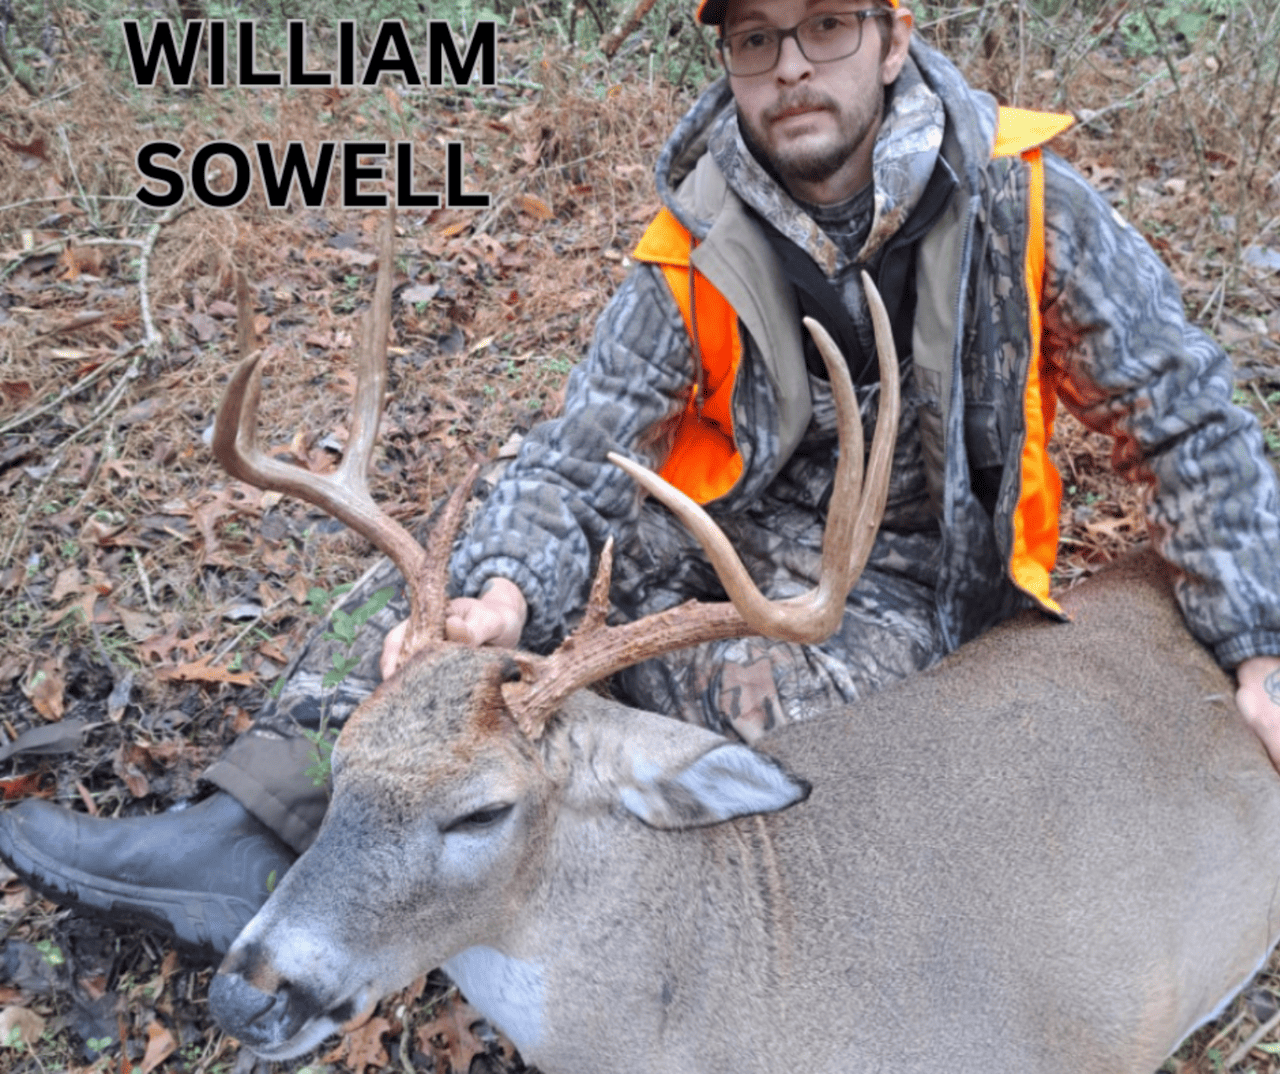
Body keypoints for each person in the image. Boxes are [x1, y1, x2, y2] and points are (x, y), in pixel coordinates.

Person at [3, 0, 1279, 962]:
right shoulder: (695, 235)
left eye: (825, 27)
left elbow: (1181, 418)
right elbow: (580, 446)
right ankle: (247, 834)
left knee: (745, 731)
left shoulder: (1026, 206)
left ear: (893, 40)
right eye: (755, 40)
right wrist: (504, 597)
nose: (790, 67)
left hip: (889, 591)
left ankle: (511, 907)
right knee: (432, 616)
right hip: (701, 540)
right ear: (727, 61)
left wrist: (1256, 641)